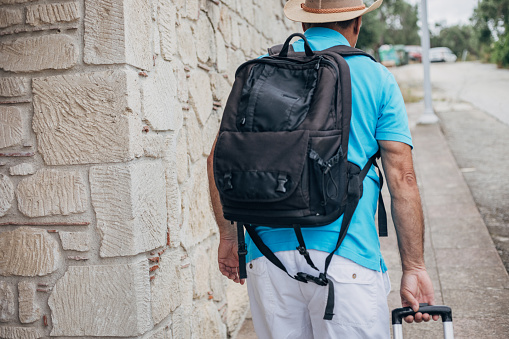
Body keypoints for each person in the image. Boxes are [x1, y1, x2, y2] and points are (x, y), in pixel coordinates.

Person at [207, 0, 438, 337]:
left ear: (304, 24)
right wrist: (414, 266)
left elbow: (218, 157)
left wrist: (229, 238)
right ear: (356, 23)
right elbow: (403, 179)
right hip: (347, 260)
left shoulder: (261, 68)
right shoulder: (376, 77)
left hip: (266, 258)